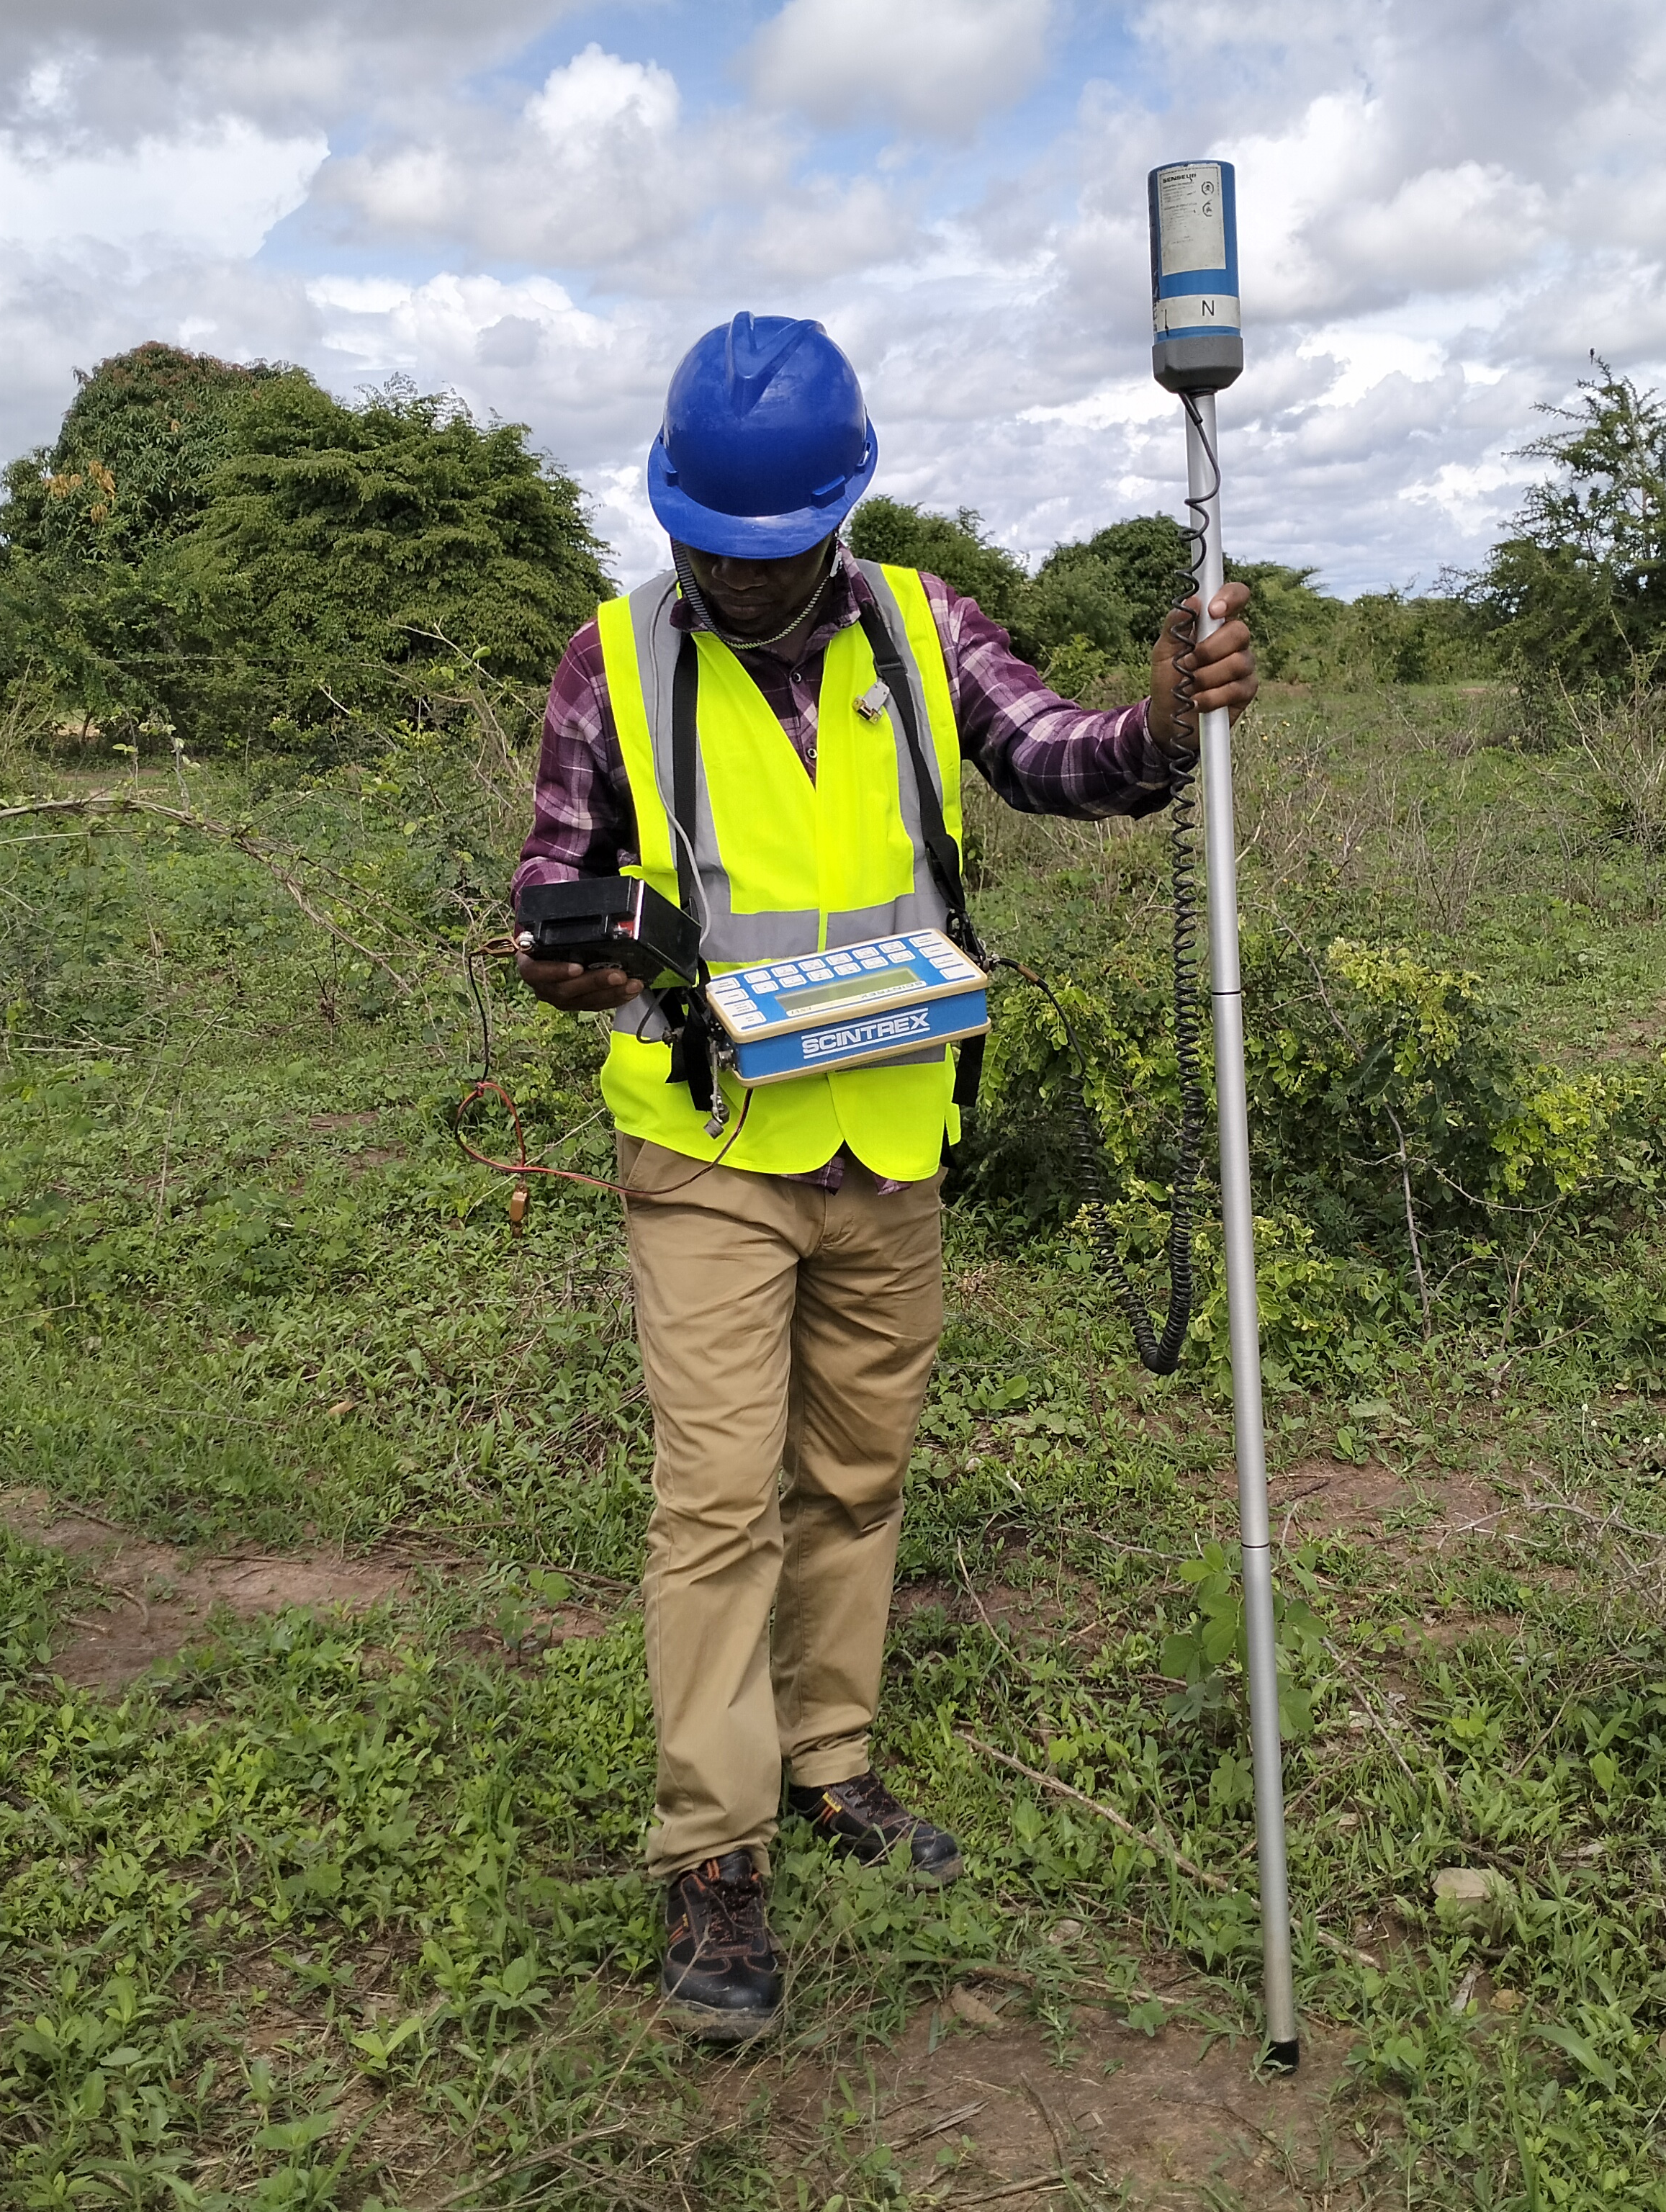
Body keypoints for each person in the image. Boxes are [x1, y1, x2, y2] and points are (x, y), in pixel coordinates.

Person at [511, 311, 1256, 2041]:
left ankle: (829, 1761)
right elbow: (553, 883)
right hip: (707, 1139)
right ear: (672, 513)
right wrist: (573, 956)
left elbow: (1056, 752)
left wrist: (1160, 719)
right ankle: (715, 1850)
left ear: (839, 514)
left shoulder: (924, 628)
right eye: (709, 545)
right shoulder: (608, 662)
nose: (737, 577)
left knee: (855, 1475)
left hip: (890, 1134)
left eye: (769, 550)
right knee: (716, 1500)